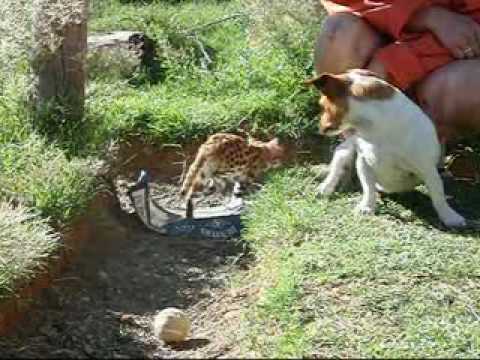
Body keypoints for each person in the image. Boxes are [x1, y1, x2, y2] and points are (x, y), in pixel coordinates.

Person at [314, 0, 480, 147]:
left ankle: (428, 142)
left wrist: (394, 63)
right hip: (378, 32)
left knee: (470, 89)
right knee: (338, 32)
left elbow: (471, 32)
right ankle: (356, 144)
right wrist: (426, 17)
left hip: (453, 58)